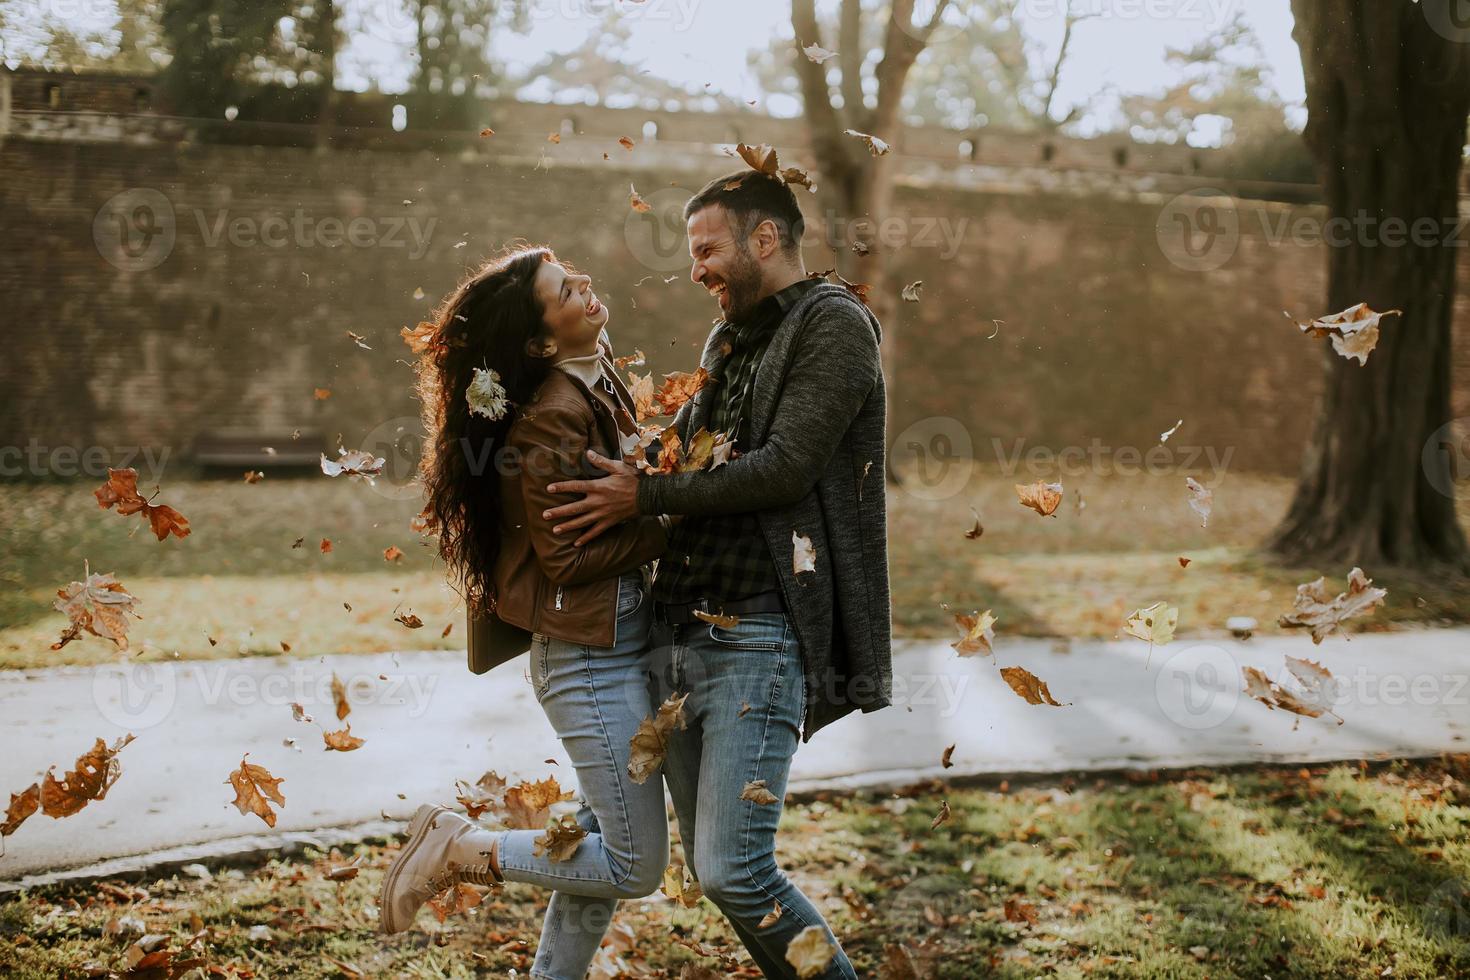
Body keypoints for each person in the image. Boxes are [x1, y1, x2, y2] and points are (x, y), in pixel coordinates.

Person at [541, 172, 892, 978]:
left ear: (763, 241)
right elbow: (681, 449)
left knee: (737, 868)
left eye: (707, 250)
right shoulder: (725, 339)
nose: (695, 268)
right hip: (679, 628)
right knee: (719, 872)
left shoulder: (835, 327)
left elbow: (784, 468)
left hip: (761, 635)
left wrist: (646, 493)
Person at [378, 246, 674, 980]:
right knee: (634, 865)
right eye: (566, 290)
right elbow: (566, 561)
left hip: (615, 640)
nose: (588, 287)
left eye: (578, 277)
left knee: (589, 852)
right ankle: (456, 848)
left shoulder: (591, 377)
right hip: (586, 658)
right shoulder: (551, 415)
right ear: (541, 341)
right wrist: (671, 517)